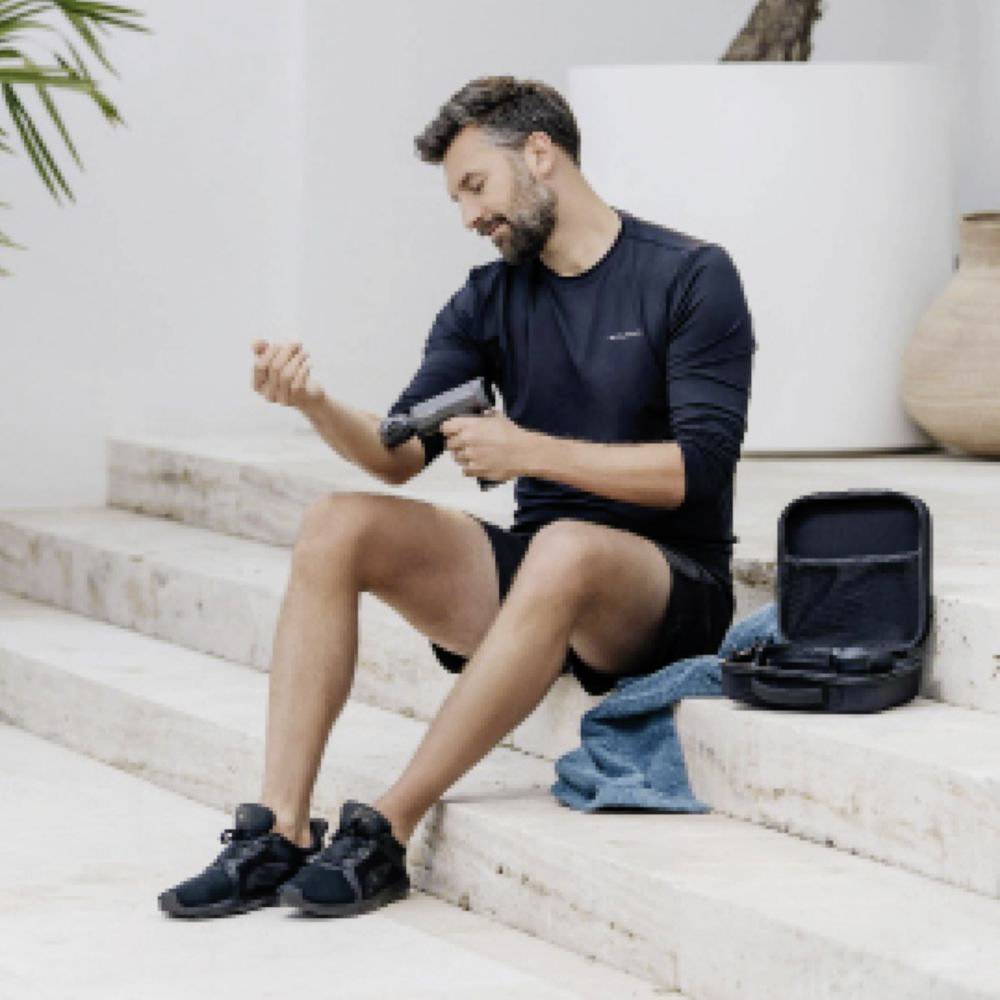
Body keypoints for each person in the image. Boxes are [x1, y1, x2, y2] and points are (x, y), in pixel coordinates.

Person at [158, 75, 755, 920]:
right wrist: (314, 403)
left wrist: (529, 450)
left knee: (568, 546)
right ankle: (280, 830)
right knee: (338, 524)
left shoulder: (689, 276)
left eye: (476, 185)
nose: (469, 215)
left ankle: (387, 831)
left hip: (665, 590)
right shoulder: (489, 298)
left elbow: (697, 469)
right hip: (540, 579)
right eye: (457, 197)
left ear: (540, 155)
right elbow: (398, 455)